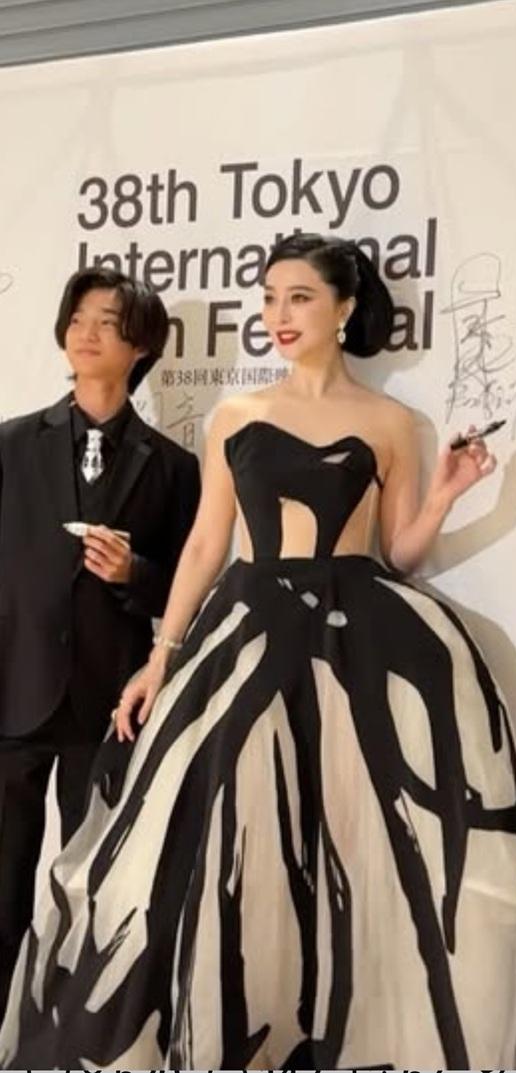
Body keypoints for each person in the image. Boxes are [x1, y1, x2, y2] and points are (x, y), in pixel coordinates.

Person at [0, 235, 516, 1069]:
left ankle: (333, 1036)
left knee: (351, 852)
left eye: (298, 297)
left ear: (344, 308)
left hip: (350, 644)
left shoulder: (391, 423)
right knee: (228, 844)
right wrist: (162, 657)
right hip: (250, 636)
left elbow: (399, 552)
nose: (278, 315)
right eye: (267, 298)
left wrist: (447, 495)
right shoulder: (237, 416)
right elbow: (204, 547)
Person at [0, 267, 201, 1018]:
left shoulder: (174, 468)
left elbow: (185, 591)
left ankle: (66, 1030)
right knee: (2, 884)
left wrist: (133, 572)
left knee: (89, 883)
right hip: (12, 692)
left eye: (108, 322)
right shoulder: (11, 445)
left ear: (141, 344)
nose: (86, 333)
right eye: (78, 318)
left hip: (106, 703)